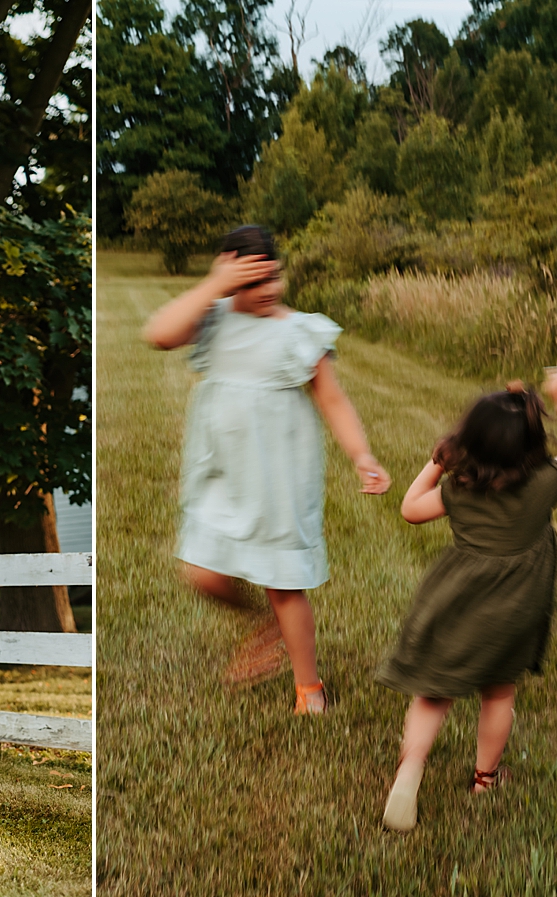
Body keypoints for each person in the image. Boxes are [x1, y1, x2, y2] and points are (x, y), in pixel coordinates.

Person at [143, 224, 391, 714]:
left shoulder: (299, 330)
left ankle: (310, 690)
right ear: (229, 278)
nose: (268, 290)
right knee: (202, 572)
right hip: (221, 471)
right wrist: (215, 284)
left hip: (277, 476)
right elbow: (158, 335)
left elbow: (333, 400)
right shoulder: (212, 317)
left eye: (273, 277)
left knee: (282, 582)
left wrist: (362, 456)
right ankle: (267, 626)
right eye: (251, 281)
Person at [377, 371, 557, 832]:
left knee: (433, 693)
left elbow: (410, 508)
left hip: (454, 603)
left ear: (467, 442)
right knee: (498, 692)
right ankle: (485, 778)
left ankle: (411, 766)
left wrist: (437, 461)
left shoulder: (459, 489)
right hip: (513, 613)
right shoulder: (544, 484)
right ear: (534, 442)